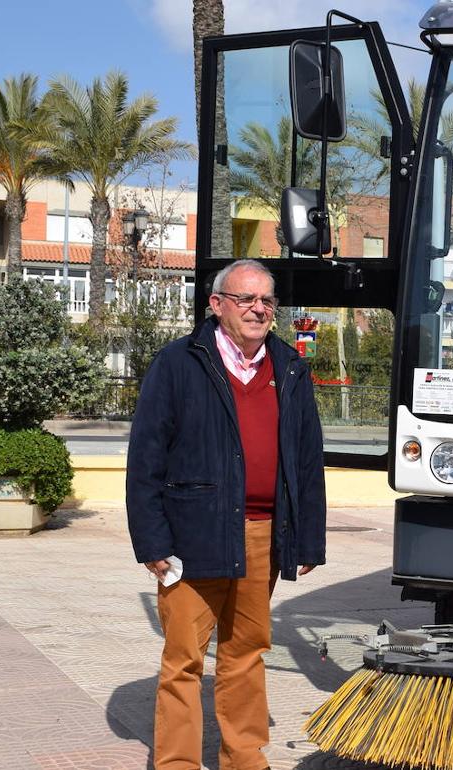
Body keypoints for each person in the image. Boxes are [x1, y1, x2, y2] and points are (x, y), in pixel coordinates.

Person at [127, 258, 326, 770]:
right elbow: (146, 457)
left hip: (264, 535)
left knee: (246, 652)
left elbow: (307, 457)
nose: (258, 309)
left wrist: (309, 539)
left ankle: (244, 756)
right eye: (245, 299)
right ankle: (177, 763)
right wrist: (152, 542)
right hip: (192, 536)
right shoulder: (178, 363)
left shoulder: (290, 366)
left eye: (267, 300)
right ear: (217, 305)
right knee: (184, 660)